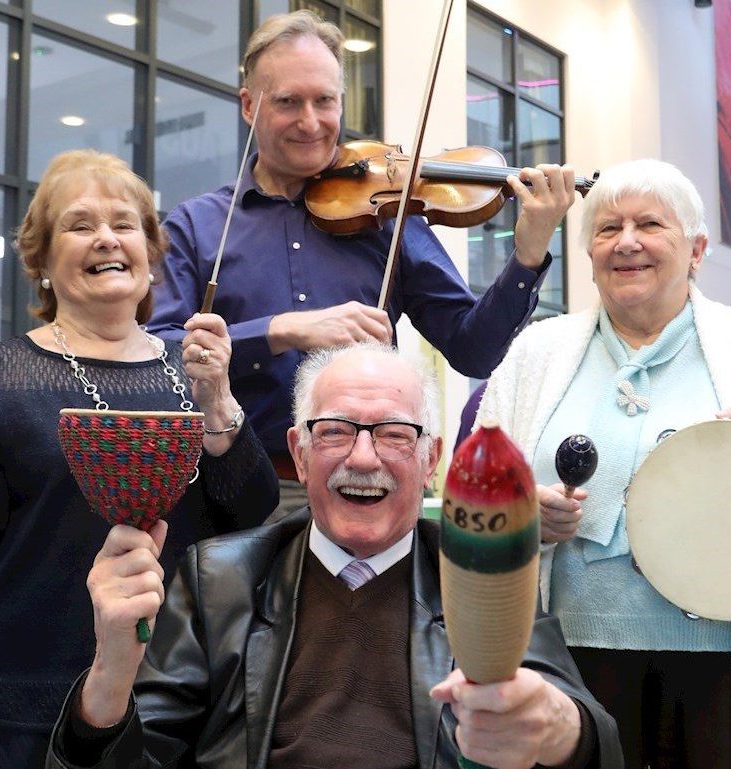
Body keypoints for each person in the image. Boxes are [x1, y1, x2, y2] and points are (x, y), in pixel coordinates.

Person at [45, 342, 624, 769]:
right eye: (335, 432)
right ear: (299, 453)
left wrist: (554, 727)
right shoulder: (220, 580)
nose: (364, 458)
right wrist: (109, 675)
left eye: (395, 433)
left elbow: (597, 742)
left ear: (430, 460)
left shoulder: (478, 571)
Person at [0, 149, 278, 769]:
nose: (106, 238)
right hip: (33, 690)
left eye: (125, 224)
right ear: (44, 261)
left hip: (180, 687)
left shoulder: (191, 367)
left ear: (150, 253)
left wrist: (217, 396)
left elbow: (248, 514)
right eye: (80, 225)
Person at [476, 158, 731, 769]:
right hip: (566, 656)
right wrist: (519, 517)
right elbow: (474, 492)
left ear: (697, 249)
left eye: (650, 224)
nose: (626, 242)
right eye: (606, 228)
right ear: (589, 254)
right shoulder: (536, 351)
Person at [146, 9, 578, 514]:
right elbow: (158, 358)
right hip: (238, 483)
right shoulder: (197, 225)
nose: (311, 122)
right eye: (288, 102)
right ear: (249, 105)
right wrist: (281, 330)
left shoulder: (388, 214)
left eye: (325, 101)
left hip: (368, 484)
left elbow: (472, 350)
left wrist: (528, 254)